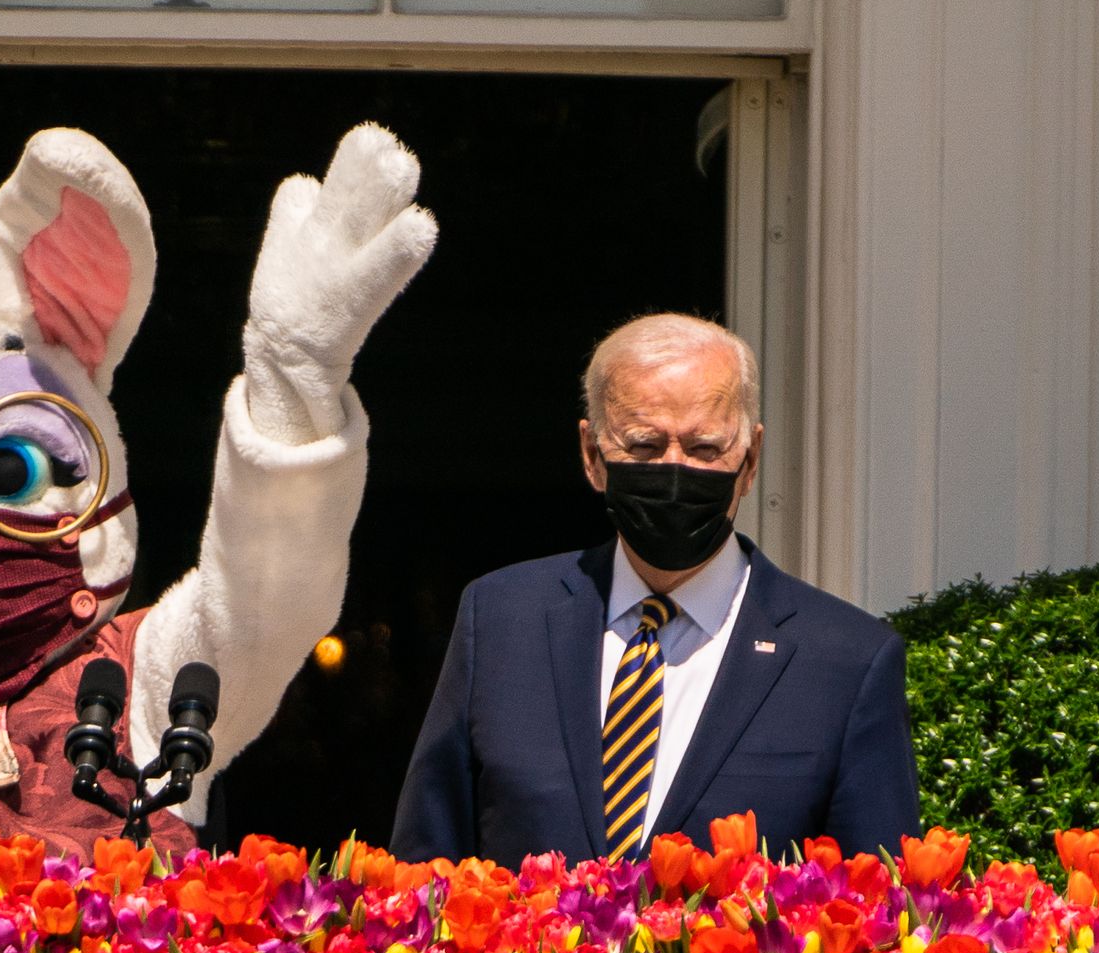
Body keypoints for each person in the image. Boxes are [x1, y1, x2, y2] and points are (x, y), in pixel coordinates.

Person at [391, 313, 918, 866]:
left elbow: (872, 913)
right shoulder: (501, 621)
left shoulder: (847, 660)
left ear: (751, 459)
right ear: (592, 455)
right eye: (643, 447)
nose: (674, 470)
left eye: (704, 448)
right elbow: (426, 866)